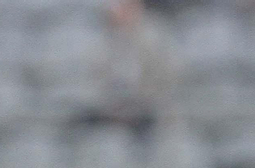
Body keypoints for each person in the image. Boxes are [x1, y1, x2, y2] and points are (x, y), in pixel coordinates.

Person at [69, 0, 177, 142]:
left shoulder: (154, 39)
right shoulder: (100, 41)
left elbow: (165, 78)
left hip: (146, 108)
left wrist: (141, 100)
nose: (118, 11)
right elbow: (93, 78)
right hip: (107, 107)